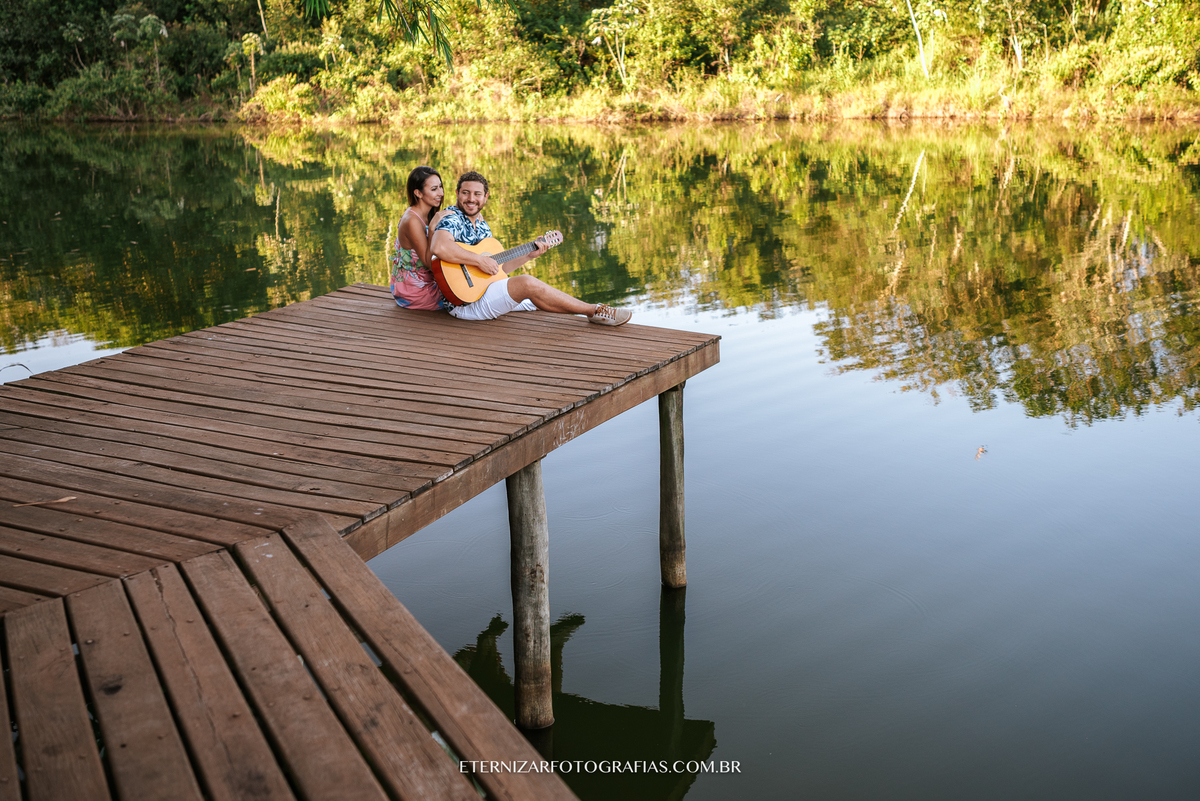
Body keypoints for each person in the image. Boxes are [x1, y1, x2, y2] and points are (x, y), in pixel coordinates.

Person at [429, 170, 632, 326]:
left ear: (486, 196)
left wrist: (529, 255)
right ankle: (595, 311)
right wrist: (480, 260)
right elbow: (439, 246)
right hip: (464, 305)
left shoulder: (481, 224)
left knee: (544, 299)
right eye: (465, 193)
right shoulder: (452, 218)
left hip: (481, 293)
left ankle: (589, 310)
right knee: (527, 283)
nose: (471, 198)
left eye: (477, 194)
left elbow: (497, 270)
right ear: (457, 193)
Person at [390, 165, 453, 310]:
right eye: (434, 189)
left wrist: (473, 215)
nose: (441, 193)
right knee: (468, 298)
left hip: (432, 281)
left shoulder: (429, 213)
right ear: (418, 193)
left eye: (440, 187)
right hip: (415, 290)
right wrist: (431, 230)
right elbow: (428, 263)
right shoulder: (412, 220)